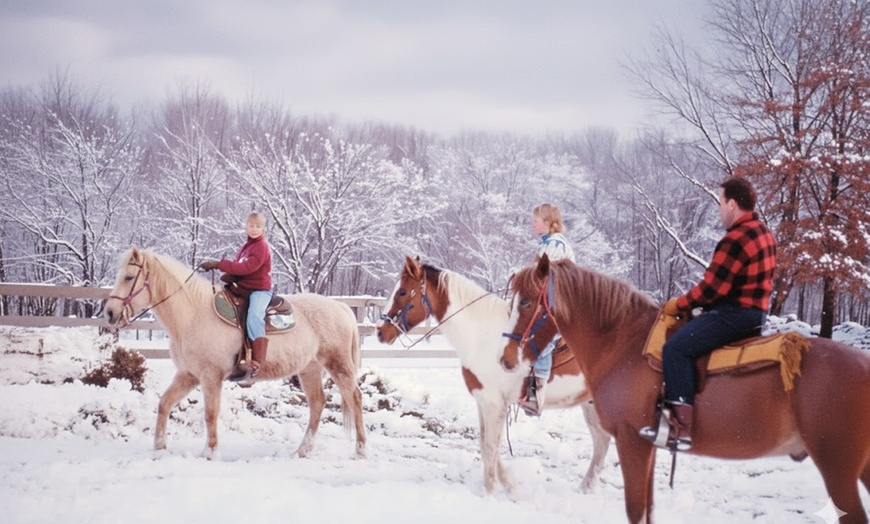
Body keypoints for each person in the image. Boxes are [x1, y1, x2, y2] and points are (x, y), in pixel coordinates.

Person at [641, 177, 776, 450]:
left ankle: (681, 429)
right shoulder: (763, 232)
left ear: (732, 204)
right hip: (756, 314)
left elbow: (712, 289)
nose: (719, 209)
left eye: (720, 202)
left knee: (675, 349)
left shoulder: (735, 240)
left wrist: (679, 304)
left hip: (733, 315)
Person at [199, 211, 273, 382]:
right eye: (251, 225)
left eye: (258, 226)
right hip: (245, 287)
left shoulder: (261, 246)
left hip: (259, 290)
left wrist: (219, 264)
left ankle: (258, 361)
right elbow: (241, 268)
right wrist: (232, 277)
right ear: (246, 226)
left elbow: (248, 268)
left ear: (263, 229)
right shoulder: (247, 246)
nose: (254, 229)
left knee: (254, 316)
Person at [520, 203, 576, 417]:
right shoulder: (545, 243)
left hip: (559, 303)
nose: (532, 224)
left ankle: (537, 396)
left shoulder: (555, 245)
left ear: (547, 223)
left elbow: (546, 279)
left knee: (542, 341)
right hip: (548, 301)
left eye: (535, 221)